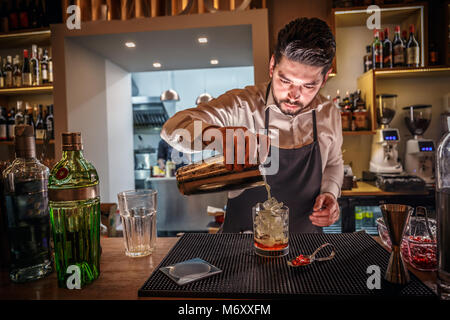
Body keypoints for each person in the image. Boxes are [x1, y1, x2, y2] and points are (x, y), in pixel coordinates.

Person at [161, 17, 344, 233]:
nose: (294, 96)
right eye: (285, 81)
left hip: (308, 248)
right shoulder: (242, 104)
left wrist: (331, 193)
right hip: (241, 248)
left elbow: (333, 162)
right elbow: (173, 128)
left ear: (323, 80)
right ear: (272, 66)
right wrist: (217, 135)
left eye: (308, 86)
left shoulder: (329, 113)